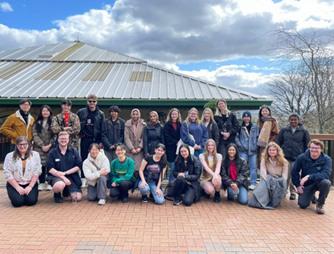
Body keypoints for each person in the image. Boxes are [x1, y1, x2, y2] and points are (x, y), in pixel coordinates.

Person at [292, 139, 332, 214]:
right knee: (302, 205)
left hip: (320, 182)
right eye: (312, 148)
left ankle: (320, 204)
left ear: (321, 149)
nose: (314, 150)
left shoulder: (327, 159)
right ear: (309, 148)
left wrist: (309, 176)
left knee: (326, 183)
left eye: (317, 148)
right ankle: (312, 196)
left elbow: (326, 174)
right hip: (307, 184)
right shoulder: (301, 157)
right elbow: (294, 172)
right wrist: (298, 186)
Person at [277, 113, 311, 200]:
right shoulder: (284, 130)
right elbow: (278, 143)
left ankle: (293, 192)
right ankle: (284, 191)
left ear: (298, 121)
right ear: (289, 121)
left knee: (294, 175)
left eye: (295, 120)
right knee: (285, 175)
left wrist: (305, 156)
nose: (293, 121)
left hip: (298, 158)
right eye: (291, 120)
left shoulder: (304, 131)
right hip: (285, 157)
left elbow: (307, 145)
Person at [3, 137, 41, 207]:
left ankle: (26, 195)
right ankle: (18, 196)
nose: (22, 146)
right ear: (16, 145)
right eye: (20, 144)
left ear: (28, 145)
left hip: (30, 183)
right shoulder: (9, 156)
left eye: (24, 144)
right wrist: (17, 187)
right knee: (17, 203)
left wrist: (30, 187)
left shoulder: (35, 155)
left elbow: (37, 171)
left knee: (31, 201)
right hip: (15, 184)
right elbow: (7, 172)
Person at [248, 142, 288, 209]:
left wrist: (277, 182)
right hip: (268, 178)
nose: (271, 151)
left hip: (279, 180)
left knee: (279, 185)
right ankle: (260, 202)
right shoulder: (264, 160)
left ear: (277, 151)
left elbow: (284, 176)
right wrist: (268, 182)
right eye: (270, 150)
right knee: (262, 186)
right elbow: (263, 173)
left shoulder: (284, 162)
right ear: (267, 151)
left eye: (273, 150)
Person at [46, 131, 82, 203]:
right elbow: (50, 168)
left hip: (71, 176)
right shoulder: (52, 152)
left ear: (68, 140)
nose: (63, 140)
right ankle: (57, 193)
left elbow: (78, 166)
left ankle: (67, 190)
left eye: (65, 139)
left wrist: (65, 173)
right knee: (60, 185)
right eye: (61, 139)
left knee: (77, 198)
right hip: (57, 177)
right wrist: (63, 177)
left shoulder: (73, 151)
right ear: (58, 140)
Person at [32, 105, 55, 191]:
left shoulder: (53, 122)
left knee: (49, 165)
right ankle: (41, 183)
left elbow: (55, 135)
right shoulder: (36, 122)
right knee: (41, 165)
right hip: (39, 148)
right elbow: (34, 134)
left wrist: (49, 145)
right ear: (41, 112)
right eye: (43, 111)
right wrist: (42, 145)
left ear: (50, 112)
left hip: (50, 147)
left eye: (47, 111)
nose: (45, 113)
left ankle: (49, 183)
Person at [235, 111, 259, 190]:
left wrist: (256, 146)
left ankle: (253, 183)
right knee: (242, 167)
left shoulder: (255, 127)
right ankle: (242, 182)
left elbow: (258, 137)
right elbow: (236, 137)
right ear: (242, 118)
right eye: (244, 117)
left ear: (250, 118)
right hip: (243, 150)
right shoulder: (240, 127)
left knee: (253, 167)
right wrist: (239, 145)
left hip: (253, 151)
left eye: (248, 117)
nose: (246, 118)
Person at [77, 94, 105, 160]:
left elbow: (103, 129)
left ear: (96, 102)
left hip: (96, 139)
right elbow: (76, 124)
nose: (92, 103)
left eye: (94, 101)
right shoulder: (81, 112)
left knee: (96, 158)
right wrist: (79, 134)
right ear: (87, 102)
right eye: (90, 101)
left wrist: (101, 141)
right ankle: (84, 171)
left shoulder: (101, 114)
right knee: (84, 158)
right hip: (85, 139)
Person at [163, 108, 182, 182]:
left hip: (180, 148)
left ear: (178, 115)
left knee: (179, 168)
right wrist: (175, 142)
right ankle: (170, 184)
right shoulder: (167, 125)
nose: (174, 115)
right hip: (171, 149)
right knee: (173, 167)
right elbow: (166, 137)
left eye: (176, 114)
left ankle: (176, 183)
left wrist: (180, 143)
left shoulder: (180, 124)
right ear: (170, 115)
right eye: (173, 114)